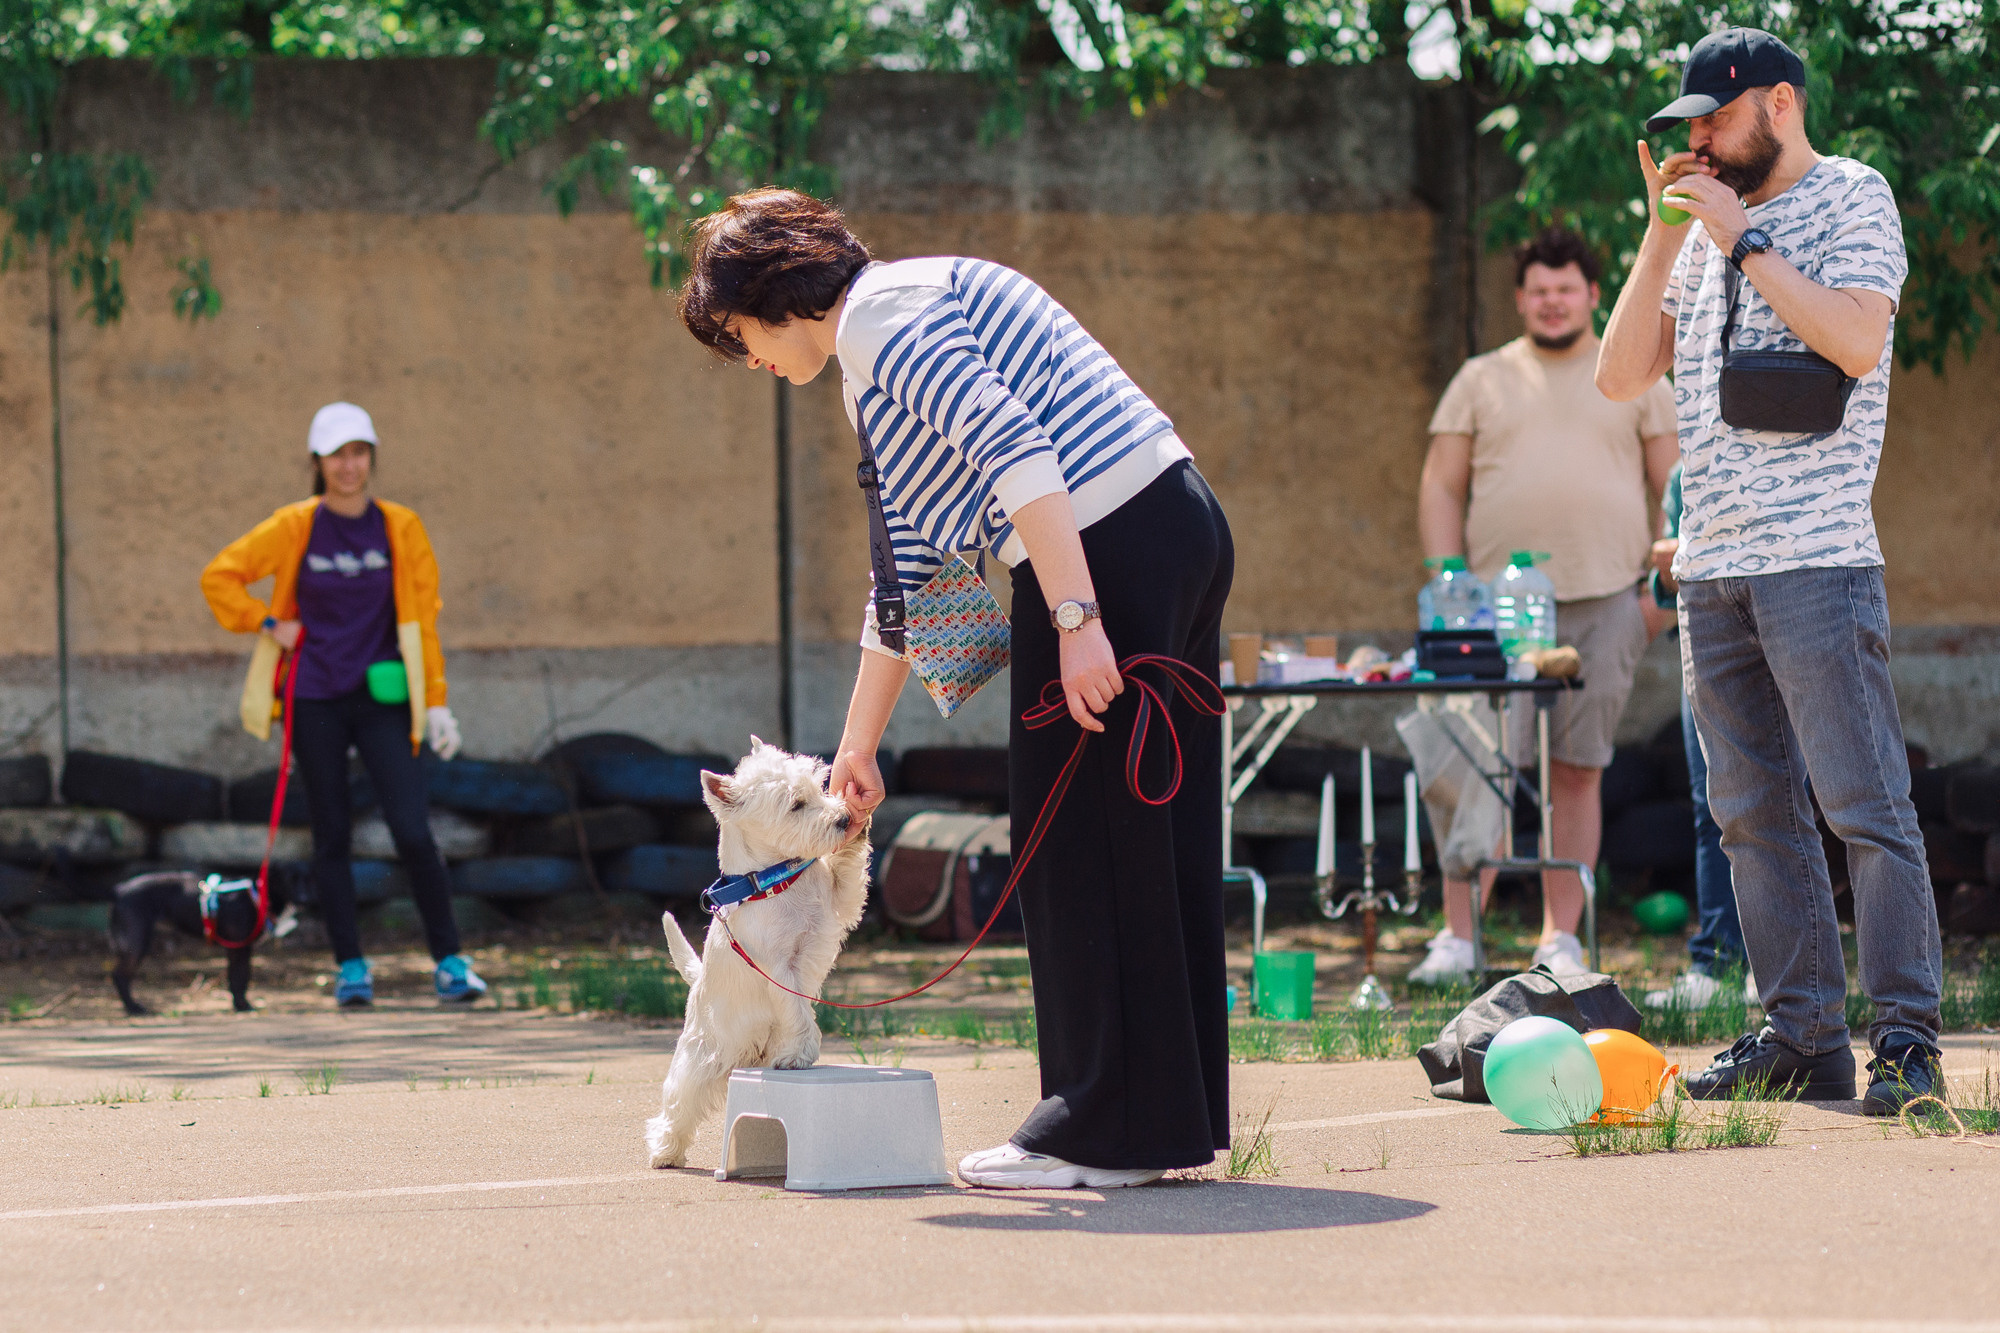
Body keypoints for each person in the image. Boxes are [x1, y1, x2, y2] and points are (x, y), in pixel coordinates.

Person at [678, 189, 1233, 1189]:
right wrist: (859, 746)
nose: (749, 360)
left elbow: (1015, 449)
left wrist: (1074, 618)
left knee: (1075, 842)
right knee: (1145, 833)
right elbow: (908, 576)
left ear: (777, 292)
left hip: (1101, 549)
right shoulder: (892, 326)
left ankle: (1099, 1134)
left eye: (740, 335)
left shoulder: (883, 318)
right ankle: (1155, 1121)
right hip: (1165, 522)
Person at [1596, 28, 1942, 1113]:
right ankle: (1800, 1037)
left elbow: (1849, 340)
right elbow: (1616, 377)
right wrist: (1662, 237)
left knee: (1861, 804)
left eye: (1711, 116)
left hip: (1816, 559)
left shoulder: (1851, 195)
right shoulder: (1696, 229)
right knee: (1747, 814)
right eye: (1683, 124)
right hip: (1713, 569)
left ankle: (1903, 1038)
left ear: (1778, 103)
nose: (1693, 137)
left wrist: (1744, 241)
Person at [1410, 228, 1678, 985]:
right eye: (1538, 289)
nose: (1552, 301)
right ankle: (1460, 938)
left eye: (1567, 288)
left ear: (1594, 296)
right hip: (1496, 615)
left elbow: (1678, 487)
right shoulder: (1480, 378)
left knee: (1579, 772)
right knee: (1478, 769)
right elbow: (1440, 486)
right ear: (1521, 297)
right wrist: (1445, 580)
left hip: (1609, 605)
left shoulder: (1634, 374)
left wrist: (1653, 601)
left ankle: (1561, 938)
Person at [202, 402, 486, 1009]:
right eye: (337, 454)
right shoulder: (294, 525)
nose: (349, 465)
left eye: (359, 452)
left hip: (383, 699)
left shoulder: (401, 527)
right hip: (313, 696)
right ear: (318, 462)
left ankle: (451, 963)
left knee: (412, 831)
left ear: (371, 458)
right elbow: (220, 577)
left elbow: (424, 621)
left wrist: (435, 702)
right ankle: (351, 968)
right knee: (330, 834)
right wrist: (267, 622)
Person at [1643, 462, 1751, 1009]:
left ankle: (1780, 966)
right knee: (1712, 807)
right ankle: (1717, 964)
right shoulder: (1684, 471)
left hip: (1773, 648)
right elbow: (1665, 593)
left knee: (1784, 806)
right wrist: (1669, 566)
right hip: (1703, 652)